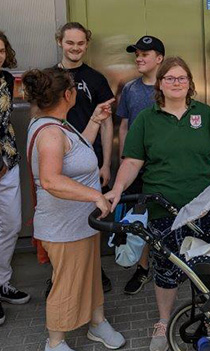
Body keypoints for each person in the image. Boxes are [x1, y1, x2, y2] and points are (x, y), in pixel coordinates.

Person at [105, 56, 210, 351]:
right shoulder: (147, 119)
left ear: (190, 83)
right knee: (166, 269)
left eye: (182, 78)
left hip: (206, 209)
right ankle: (163, 321)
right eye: (170, 78)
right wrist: (118, 189)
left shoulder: (206, 115)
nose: (176, 83)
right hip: (163, 210)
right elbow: (132, 161)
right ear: (160, 84)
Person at [23, 67, 125, 351]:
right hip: (62, 226)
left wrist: (94, 120)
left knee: (91, 275)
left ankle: (97, 322)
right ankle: (54, 345)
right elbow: (52, 180)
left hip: (82, 224)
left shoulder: (58, 125)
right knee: (66, 284)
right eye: (73, 89)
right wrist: (95, 195)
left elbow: (76, 153)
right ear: (67, 95)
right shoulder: (50, 133)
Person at [56, 22, 115, 294]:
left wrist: (105, 164)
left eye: (80, 43)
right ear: (60, 42)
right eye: (70, 43)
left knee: (90, 216)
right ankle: (59, 274)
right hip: (56, 160)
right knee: (60, 219)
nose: (75, 48)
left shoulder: (96, 79)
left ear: (86, 45)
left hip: (90, 162)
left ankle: (94, 271)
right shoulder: (49, 78)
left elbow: (106, 122)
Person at [115, 35, 165, 296]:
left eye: (145, 53)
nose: (139, 57)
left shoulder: (170, 87)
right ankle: (144, 268)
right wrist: (123, 158)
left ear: (159, 59)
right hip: (136, 166)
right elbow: (123, 125)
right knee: (139, 218)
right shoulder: (130, 89)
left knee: (167, 214)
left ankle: (171, 264)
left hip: (165, 166)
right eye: (137, 53)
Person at [0, 30, 28, 324]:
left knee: (11, 225)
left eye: (0, 50)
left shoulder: (7, 80)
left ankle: (3, 282)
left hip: (7, 162)